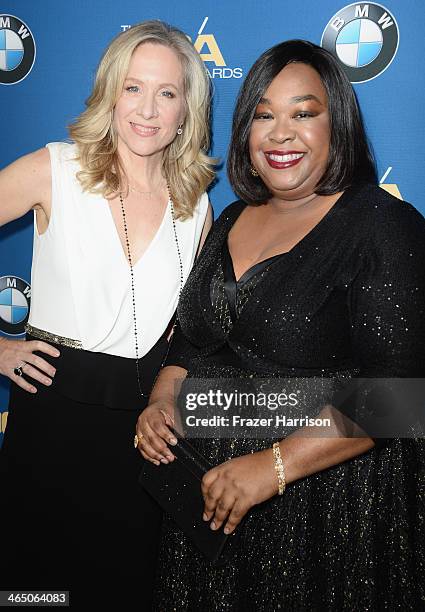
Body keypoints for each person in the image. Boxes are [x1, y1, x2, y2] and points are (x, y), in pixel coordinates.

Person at [136, 40, 425, 610]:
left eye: (303, 113)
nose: (281, 132)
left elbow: (398, 396)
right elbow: (194, 337)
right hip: (208, 508)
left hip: (323, 520)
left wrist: (271, 468)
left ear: (336, 123)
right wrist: (164, 399)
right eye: (264, 114)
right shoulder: (235, 218)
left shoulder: (381, 224)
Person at [0, 20, 214, 608]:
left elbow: (195, 332)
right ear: (110, 93)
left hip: (144, 428)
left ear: (185, 109)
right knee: (34, 592)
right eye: (133, 88)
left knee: (123, 587)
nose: (147, 109)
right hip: (53, 413)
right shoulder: (56, 169)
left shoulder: (197, 205)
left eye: (166, 93)